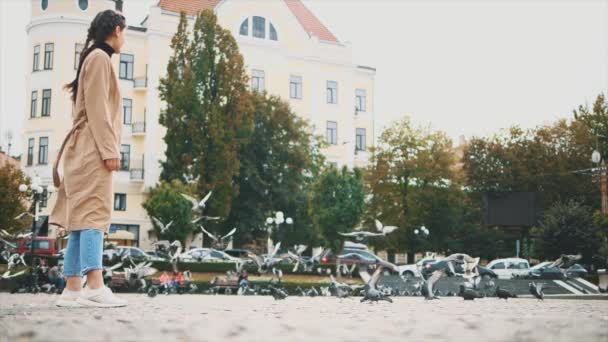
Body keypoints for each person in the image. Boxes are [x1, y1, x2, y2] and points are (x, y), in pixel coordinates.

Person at [50, 9, 127, 308]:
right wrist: (109, 150)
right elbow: (98, 109)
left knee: (81, 220)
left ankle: (72, 289)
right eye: (125, 32)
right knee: (94, 216)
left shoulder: (94, 57)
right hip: (92, 148)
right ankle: (95, 285)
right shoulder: (100, 59)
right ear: (117, 30)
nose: (125, 40)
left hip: (83, 147)